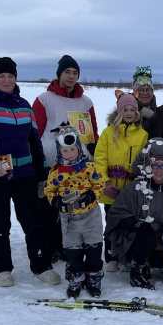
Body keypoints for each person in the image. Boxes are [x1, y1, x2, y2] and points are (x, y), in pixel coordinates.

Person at [0, 57, 61, 288]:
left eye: (11, 76)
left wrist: (41, 176)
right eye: (2, 76)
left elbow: (34, 142)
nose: (7, 80)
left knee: (33, 221)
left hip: (25, 172)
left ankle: (41, 265)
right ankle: (2, 268)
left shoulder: (24, 105)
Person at [32, 55, 100, 262]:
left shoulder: (85, 102)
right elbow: (34, 132)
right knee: (50, 207)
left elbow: (92, 131)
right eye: (67, 72)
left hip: (79, 166)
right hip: (52, 163)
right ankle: (49, 246)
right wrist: (37, 159)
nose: (71, 76)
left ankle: (68, 246)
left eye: (75, 73)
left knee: (74, 207)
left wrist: (94, 149)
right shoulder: (45, 99)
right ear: (59, 74)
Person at [106, 138, 163, 290]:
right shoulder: (136, 187)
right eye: (154, 165)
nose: (158, 170)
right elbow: (116, 213)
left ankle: (149, 263)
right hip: (137, 238)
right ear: (147, 167)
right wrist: (136, 224)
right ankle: (136, 270)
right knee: (147, 232)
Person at [44, 123, 107, 298]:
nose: (70, 153)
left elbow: (99, 183)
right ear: (59, 151)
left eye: (73, 149)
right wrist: (57, 202)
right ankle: (76, 277)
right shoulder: (56, 172)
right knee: (73, 251)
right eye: (65, 150)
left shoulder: (89, 166)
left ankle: (93, 277)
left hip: (90, 215)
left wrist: (91, 196)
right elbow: (49, 190)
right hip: (69, 218)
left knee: (94, 249)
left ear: (78, 148)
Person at [94, 92, 149, 272]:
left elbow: (145, 160)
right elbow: (99, 159)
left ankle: (126, 256)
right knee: (112, 221)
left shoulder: (142, 135)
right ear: (119, 112)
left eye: (132, 110)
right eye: (125, 110)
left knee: (131, 223)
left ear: (137, 113)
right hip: (112, 188)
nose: (129, 113)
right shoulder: (108, 133)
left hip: (132, 190)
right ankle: (111, 256)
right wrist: (105, 183)